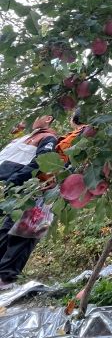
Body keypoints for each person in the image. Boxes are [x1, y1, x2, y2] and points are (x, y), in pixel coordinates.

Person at [0, 115, 58, 289]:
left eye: (37, 116)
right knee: (6, 230)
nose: (31, 119)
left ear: (48, 118)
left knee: (25, 232)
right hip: (15, 190)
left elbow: (41, 162)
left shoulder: (48, 138)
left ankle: (7, 278)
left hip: (34, 190)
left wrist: (16, 179)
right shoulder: (25, 138)